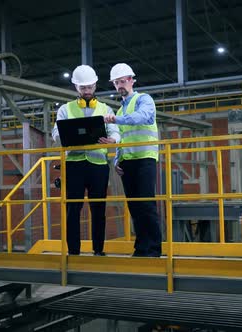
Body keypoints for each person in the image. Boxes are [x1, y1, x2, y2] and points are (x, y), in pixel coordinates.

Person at [52, 64, 120, 256]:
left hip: (98, 165)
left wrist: (114, 139)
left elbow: (115, 130)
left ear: (95, 85)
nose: (87, 91)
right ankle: (73, 251)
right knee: (73, 208)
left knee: (98, 209)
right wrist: (62, 137)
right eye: (83, 88)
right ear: (76, 88)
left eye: (89, 87)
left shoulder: (105, 108)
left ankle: (98, 250)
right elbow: (56, 131)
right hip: (73, 165)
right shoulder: (65, 109)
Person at [103, 63, 162, 257]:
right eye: (116, 82)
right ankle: (141, 248)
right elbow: (122, 137)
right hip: (127, 163)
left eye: (122, 81)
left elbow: (142, 117)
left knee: (146, 204)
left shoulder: (143, 100)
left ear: (131, 80)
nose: (119, 85)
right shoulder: (119, 112)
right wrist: (117, 160)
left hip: (145, 158)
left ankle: (153, 249)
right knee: (135, 207)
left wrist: (115, 120)